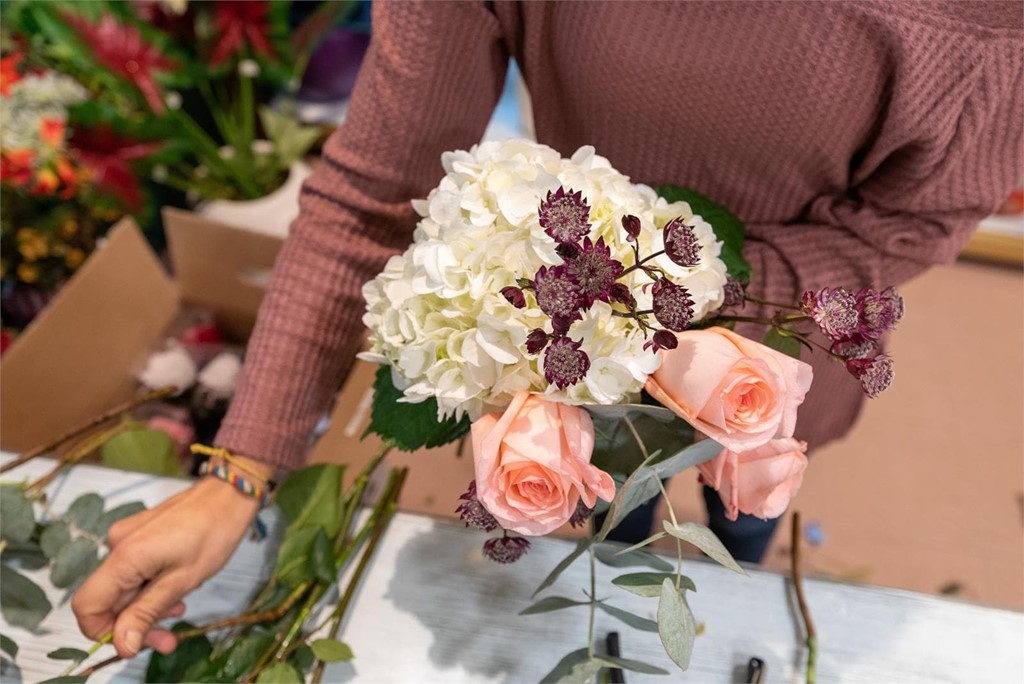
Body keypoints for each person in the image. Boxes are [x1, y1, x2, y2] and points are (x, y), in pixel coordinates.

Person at [71, 1, 1023, 660]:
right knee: (603, 522)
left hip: (775, 334)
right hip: (568, 343)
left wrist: (637, 291)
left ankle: (738, 548)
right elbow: (373, 192)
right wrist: (238, 473)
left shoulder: (978, 29)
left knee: (744, 508)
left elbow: (903, 229)